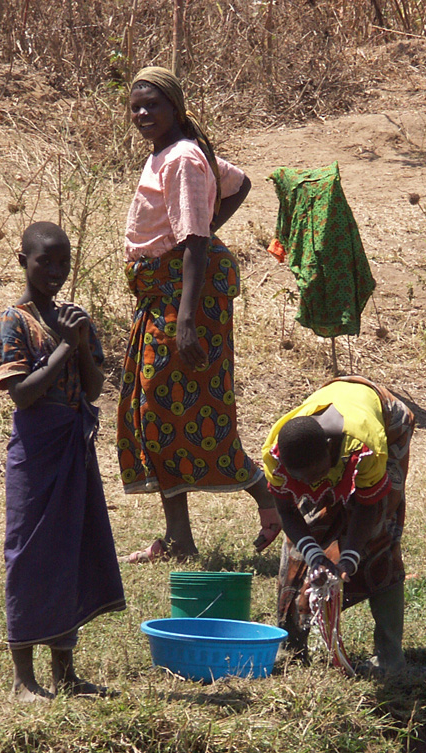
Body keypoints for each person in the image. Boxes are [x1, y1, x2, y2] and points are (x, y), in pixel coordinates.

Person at [117, 66, 281, 562]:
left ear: (176, 109)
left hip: (183, 300)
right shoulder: (175, 153)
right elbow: (239, 182)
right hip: (164, 295)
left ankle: (267, 495)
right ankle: (180, 541)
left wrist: (185, 319)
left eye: (154, 105)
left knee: (184, 410)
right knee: (157, 410)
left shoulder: (184, 158)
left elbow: (193, 242)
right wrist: (208, 222)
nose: (143, 114)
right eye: (136, 107)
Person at [0, 221, 126, 700]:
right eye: (45, 260)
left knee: (69, 550)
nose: (55, 270)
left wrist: (81, 339)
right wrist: (67, 345)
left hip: (73, 443)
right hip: (36, 447)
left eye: (63, 261)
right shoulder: (13, 321)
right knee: (29, 554)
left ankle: (64, 674)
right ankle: (23, 679)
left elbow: (92, 389)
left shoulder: (74, 317)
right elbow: (22, 395)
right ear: (22, 260)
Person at [262, 377, 414, 674]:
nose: (311, 485)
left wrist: (349, 557)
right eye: (302, 479)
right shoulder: (276, 455)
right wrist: (314, 554)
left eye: (317, 475)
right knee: (299, 543)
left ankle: (389, 656)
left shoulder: (367, 448)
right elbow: (287, 512)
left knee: (380, 536)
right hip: (329, 413)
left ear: (331, 451)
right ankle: (291, 646)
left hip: (386, 419)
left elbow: (368, 508)